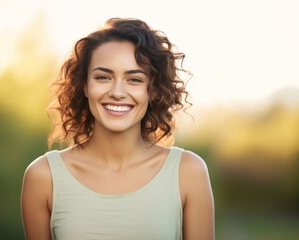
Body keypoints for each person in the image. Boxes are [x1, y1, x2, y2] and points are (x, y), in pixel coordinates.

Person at [21, 18, 215, 240]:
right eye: (103, 77)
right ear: (85, 85)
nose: (117, 92)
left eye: (134, 79)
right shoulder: (43, 176)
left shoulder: (188, 173)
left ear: (152, 90)